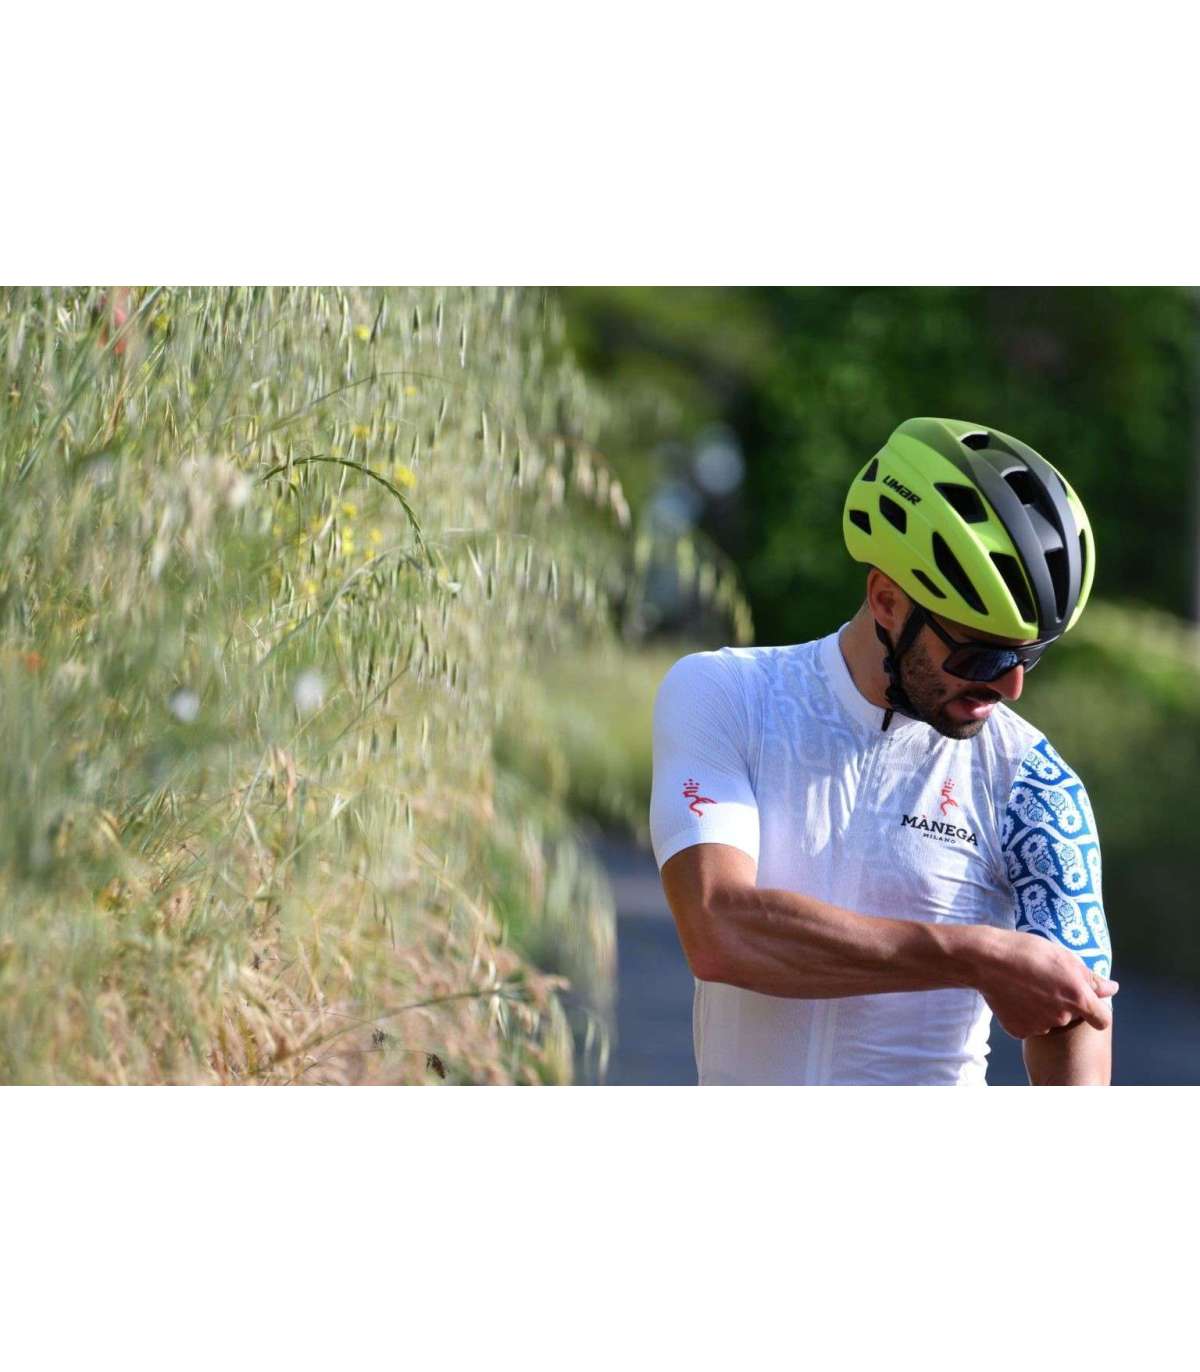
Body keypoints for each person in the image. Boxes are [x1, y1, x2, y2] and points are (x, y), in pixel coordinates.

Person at [650, 417, 1115, 1085]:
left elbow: (1076, 1037)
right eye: (982, 655)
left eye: (1030, 656)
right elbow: (719, 929)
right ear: (888, 601)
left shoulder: (1034, 784)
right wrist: (975, 957)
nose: (1010, 686)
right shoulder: (727, 695)